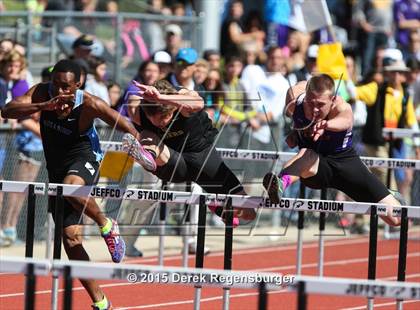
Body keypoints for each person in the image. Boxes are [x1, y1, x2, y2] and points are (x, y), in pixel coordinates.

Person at [1, 59, 149, 310]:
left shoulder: (88, 103)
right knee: (70, 239)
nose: (59, 92)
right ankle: (101, 302)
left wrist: (144, 144)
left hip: (85, 157)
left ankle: (106, 224)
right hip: (56, 168)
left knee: (72, 187)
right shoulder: (41, 92)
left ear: (78, 85)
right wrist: (42, 105)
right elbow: (7, 110)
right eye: (55, 85)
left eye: (66, 87)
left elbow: (119, 121)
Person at [263, 74, 401, 227]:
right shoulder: (295, 100)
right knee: (307, 154)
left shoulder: (341, 106)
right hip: (316, 168)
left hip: (345, 164)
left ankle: (389, 194)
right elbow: (297, 96)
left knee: (395, 219)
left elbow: (346, 120)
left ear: (333, 99)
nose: (315, 109)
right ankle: (281, 183)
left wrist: (326, 125)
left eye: (321, 105)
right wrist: (296, 132)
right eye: (310, 103)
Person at [121, 79, 256, 225]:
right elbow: (133, 98)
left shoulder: (182, 101)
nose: (163, 122)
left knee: (249, 214)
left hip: (203, 160)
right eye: (156, 119)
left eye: (166, 117)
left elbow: (198, 103)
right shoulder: (138, 111)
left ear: (173, 108)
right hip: (171, 162)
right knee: (147, 134)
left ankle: (218, 206)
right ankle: (148, 156)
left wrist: (161, 98)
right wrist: (140, 96)